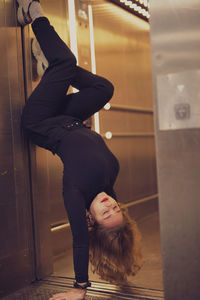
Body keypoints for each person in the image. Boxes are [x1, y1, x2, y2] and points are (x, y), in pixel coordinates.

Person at [17, 1, 143, 299]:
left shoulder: (75, 194)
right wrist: (119, 236)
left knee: (66, 62)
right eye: (115, 208)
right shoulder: (109, 180)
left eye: (104, 212)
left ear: (90, 219)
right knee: (104, 89)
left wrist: (80, 288)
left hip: (40, 121)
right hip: (69, 119)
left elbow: (80, 241)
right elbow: (114, 220)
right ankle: (52, 68)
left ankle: (32, 15)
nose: (108, 204)